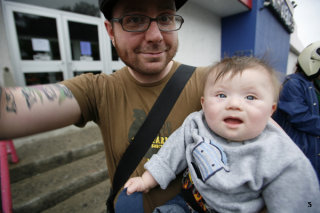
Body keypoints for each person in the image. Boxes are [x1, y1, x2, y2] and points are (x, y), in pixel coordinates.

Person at [0, 0, 209, 212]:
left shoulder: (213, 85)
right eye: (134, 19)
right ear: (110, 31)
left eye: (165, 18)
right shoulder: (99, 90)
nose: (155, 36)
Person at [124, 56, 320, 213]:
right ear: (203, 103)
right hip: (186, 202)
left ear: (271, 110)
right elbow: (171, 154)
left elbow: (301, 201)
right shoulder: (196, 123)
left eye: (250, 97)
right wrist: (147, 180)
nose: (233, 104)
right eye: (221, 95)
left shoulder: (279, 153)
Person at [273, 41, 320, 181]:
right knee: (304, 197)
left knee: (310, 196)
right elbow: (300, 117)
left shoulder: (311, 85)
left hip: (310, 151)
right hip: (297, 152)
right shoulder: (293, 84)